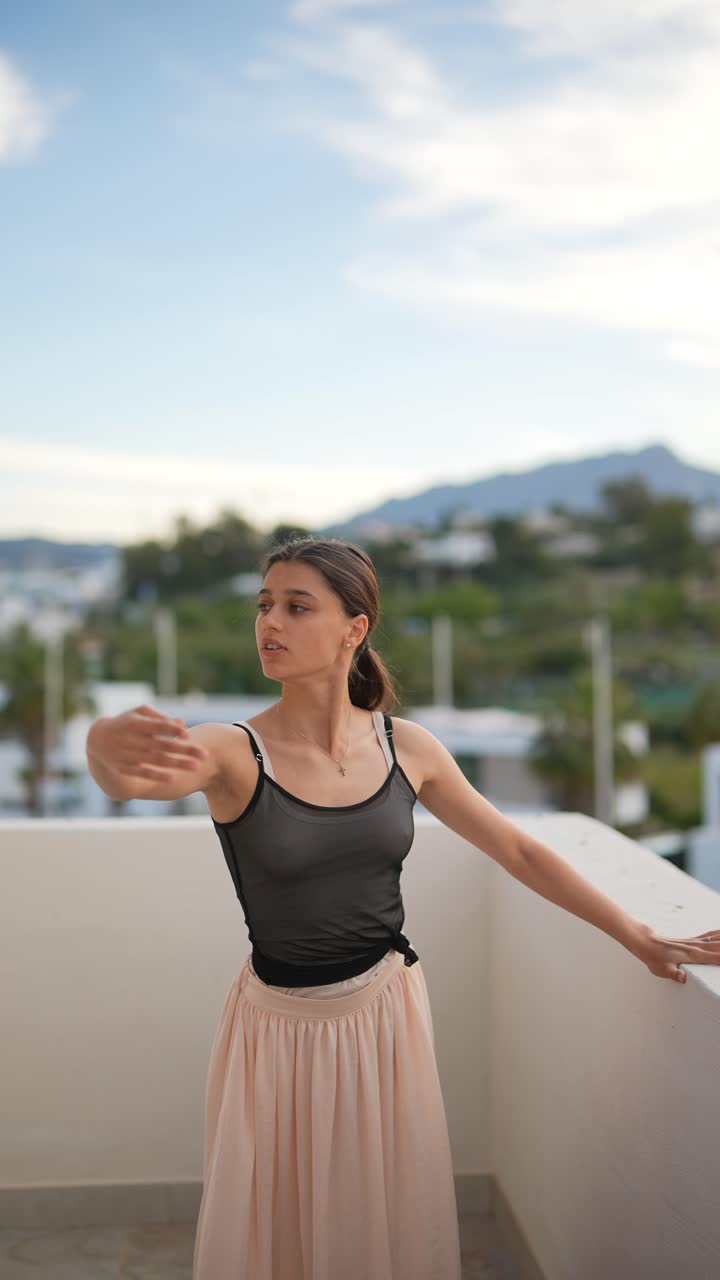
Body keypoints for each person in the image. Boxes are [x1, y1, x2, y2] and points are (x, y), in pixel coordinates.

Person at [86, 534, 720, 1280]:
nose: (270, 624)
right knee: (282, 1225)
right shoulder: (233, 750)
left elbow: (518, 850)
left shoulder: (407, 747)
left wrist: (637, 934)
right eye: (264, 606)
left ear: (354, 629)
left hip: (385, 1015)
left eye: (296, 606)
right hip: (279, 1030)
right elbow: (124, 781)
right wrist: (103, 739)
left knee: (379, 1221)